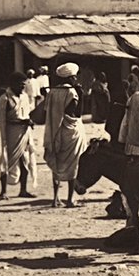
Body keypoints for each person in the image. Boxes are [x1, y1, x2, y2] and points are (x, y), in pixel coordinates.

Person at [43, 62, 89, 208]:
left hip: (55, 131)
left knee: (57, 162)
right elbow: (75, 114)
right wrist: (80, 96)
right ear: (71, 78)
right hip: (70, 133)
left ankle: (55, 198)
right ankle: (70, 199)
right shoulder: (71, 93)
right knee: (73, 164)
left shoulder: (52, 92)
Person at [0, 71, 36, 199]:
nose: (22, 87)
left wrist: (28, 122)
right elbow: (3, 119)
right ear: (13, 84)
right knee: (7, 161)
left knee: (25, 161)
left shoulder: (24, 97)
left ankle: (23, 190)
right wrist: (22, 121)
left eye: (24, 85)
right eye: (20, 85)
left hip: (24, 134)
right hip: (11, 134)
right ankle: (3, 192)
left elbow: (26, 114)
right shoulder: (5, 98)